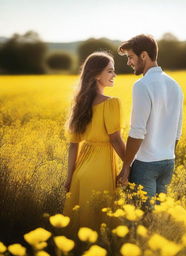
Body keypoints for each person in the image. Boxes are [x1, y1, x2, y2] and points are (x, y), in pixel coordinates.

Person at [117, 34, 183, 206]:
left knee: (143, 220)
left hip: (146, 165)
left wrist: (126, 166)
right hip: (168, 162)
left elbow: (137, 132)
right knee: (159, 220)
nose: (128, 62)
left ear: (144, 55)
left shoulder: (142, 85)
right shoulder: (175, 85)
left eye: (131, 57)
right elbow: (177, 131)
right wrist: (165, 153)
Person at [63, 51, 125, 232]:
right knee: (99, 228)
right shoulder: (111, 103)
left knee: (80, 229)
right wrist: (130, 164)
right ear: (97, 75)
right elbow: (115, 140)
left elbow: (73, 145)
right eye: (110, 71)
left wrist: (69, 178)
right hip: (100, 171)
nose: (114, 75)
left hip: (80, 174)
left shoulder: (80, 105)